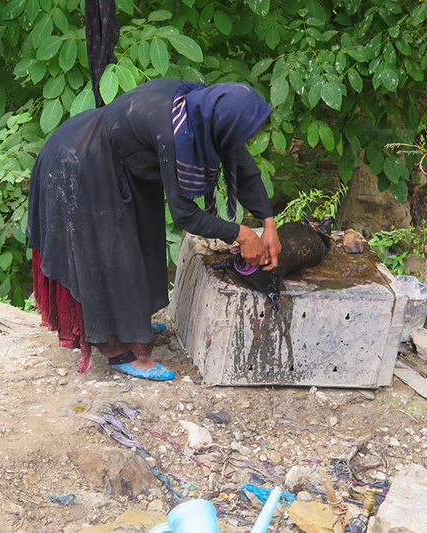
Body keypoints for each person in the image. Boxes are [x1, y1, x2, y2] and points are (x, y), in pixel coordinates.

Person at [26, 78, 281, 381]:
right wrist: (242, 233)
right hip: (81, 161)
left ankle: (130, 323)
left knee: (141, 242)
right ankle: (114, 347)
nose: (244, 143)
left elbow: (243, 164)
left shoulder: (204, 110)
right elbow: (185, 215)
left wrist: (268, 224)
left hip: (120, 161)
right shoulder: (175, 135)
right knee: (108, 254)